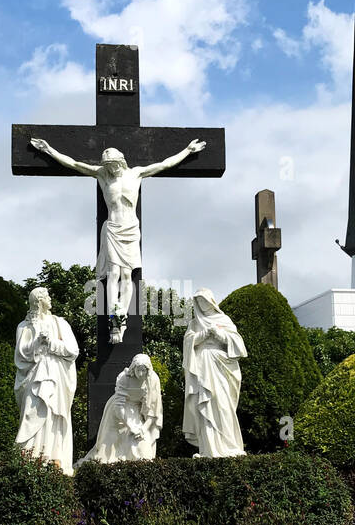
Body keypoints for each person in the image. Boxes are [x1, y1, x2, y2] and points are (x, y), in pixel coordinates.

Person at [28, 137, 206, 336]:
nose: (111, 169)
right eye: (108, 166)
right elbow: (75, 164)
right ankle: (114, 314)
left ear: (121, 162)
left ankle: (123, 314)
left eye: (113, 165)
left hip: (130, 227)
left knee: (128, 275)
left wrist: (188, 150)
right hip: (113, 227)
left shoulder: (136, 173)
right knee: (114, 273)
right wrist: (49, 150)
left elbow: (164, 164)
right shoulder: (102, 175)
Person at [13, 287, 79, 475]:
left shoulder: (60, 323)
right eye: (47, 296)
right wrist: (37, 343)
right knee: (31, 409)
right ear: (39, 301)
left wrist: (51, 342)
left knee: (53, 414)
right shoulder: (23, 326)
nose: (51, 299)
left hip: (55, 376)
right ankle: (30, 459)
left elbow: (73, 351)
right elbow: (20, 354)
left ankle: (52, 457)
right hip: (34, 375)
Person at [182, 288, 247, 458]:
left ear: (211, 301)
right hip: (202, 366)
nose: (202, 305)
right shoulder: (194, 324)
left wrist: (220, 334)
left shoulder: (223, 319)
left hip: (220, 366)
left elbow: (238, 344)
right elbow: (188, 343)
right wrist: (203, 335)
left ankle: (230, 446)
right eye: (199, 301)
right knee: (204, 405)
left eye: (204, 300)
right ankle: (208, 449)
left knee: (222, 404)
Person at [78, 354, 162, 465]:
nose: (141, 374)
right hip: (118, 412)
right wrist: (131, 426)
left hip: (136, 411)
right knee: (109, 453)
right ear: (133, 368)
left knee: (143, 451)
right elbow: (119, 407)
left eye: (144, 370)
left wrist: (143, 429)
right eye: (138, 370)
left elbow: (153, 409)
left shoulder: (153, 380)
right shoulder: (124, 377)